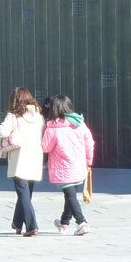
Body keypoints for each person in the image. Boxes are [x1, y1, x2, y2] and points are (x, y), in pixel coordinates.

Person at [42, 94, 95, 236]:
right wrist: (89, 161)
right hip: (79, 166)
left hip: (62, 167)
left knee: (70, 195)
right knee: (70, 195)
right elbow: (89, 143)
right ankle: (64, 223)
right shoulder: (80, 123)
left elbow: (45, 148)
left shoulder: (52, 127)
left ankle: (82, 222)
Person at [0, 87, 45, 236]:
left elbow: (2, 132)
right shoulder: (39, 116)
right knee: (26, 192)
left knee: (23, 192)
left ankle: (31, 225)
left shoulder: (13, 116)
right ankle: (18, 223)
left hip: (20, 158)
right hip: (35, 157)